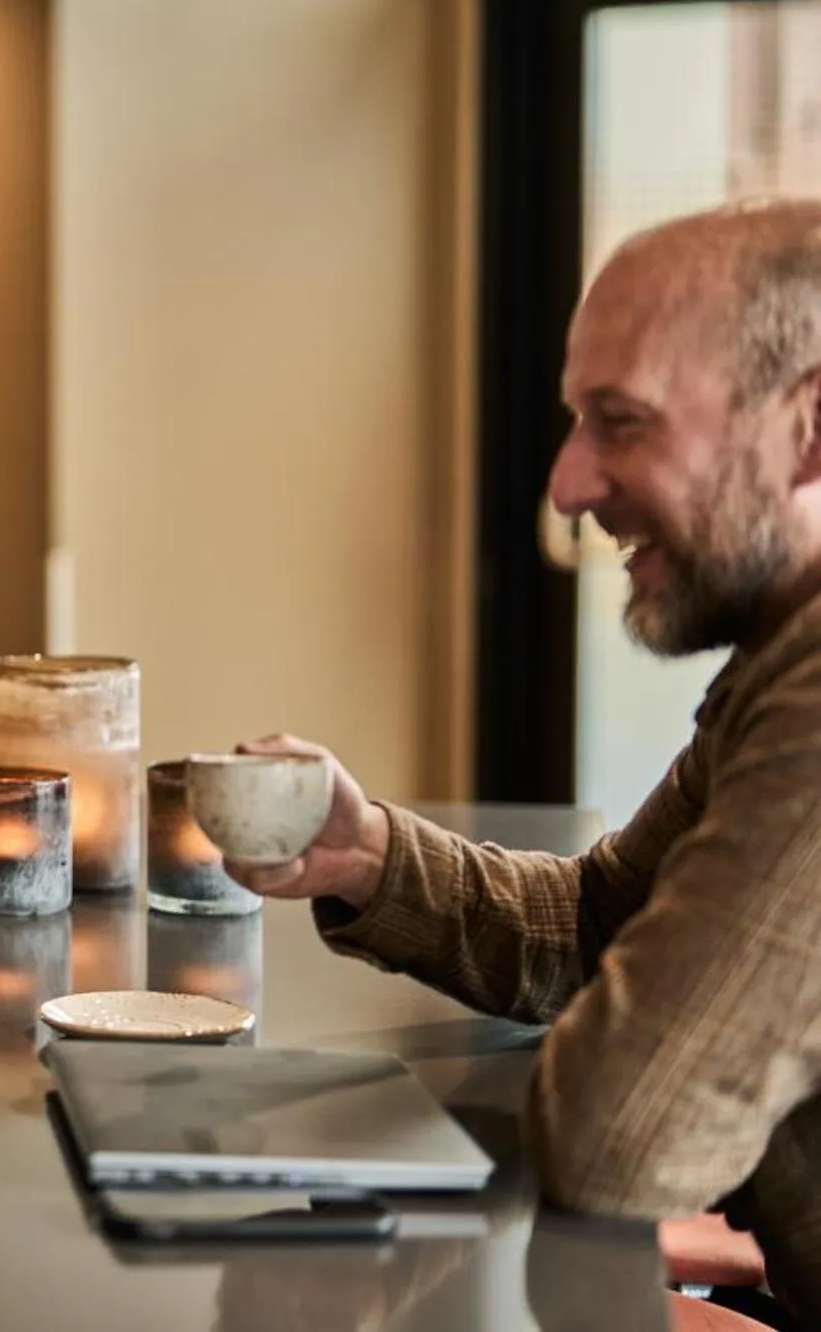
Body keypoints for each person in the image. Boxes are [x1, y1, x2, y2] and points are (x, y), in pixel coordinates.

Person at [234, 199, 821, 1327]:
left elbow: (618, 1136)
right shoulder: (777, 659)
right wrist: (370, 855)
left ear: (809, 427)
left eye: (621, 421)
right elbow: (603, 921)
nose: (566, 482)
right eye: (574, 421)